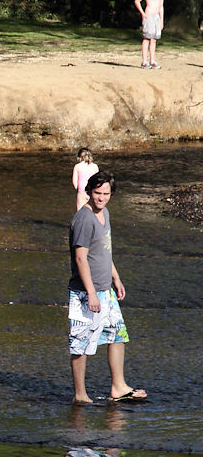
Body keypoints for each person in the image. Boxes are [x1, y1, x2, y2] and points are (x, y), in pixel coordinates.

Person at [68, 170, 147, 404]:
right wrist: (91, 293)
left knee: (117, 335)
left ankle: (119, 387)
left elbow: (104, 250)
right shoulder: (83, 219)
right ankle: (80, 395)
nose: (101, 198)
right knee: (81, 344)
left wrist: (116, 277)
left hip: (106, 289)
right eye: (97, 193)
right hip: (85, 293)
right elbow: (81, 258)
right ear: (89, 192)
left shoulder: (106, 214)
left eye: (106, 193)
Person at [135, 0, 165, 69]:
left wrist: (161, 20)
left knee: (154, 39)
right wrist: (143, 14)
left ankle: (152, 61)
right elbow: (137, 1)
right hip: (149, 16)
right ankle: (144, 61)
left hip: (156, 17)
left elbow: (161, 6)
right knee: (147, 38)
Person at [71, 148, 98, 212]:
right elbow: (97, 181)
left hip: (82, 192)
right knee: (93, 213)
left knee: (80, 213)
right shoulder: (95, 166)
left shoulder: (77, 166)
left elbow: (75, 184)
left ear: (79, 157)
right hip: (92, 192)